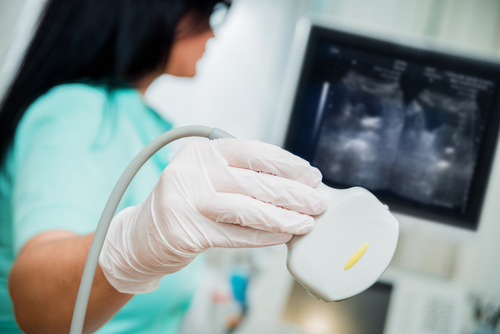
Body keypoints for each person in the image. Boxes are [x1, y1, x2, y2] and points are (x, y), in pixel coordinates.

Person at [0, 0, 327, 333]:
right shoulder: (77, 115)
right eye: (206, 14)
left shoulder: (151, 126)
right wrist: (132, 247)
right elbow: (35, 303)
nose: (213, 33)